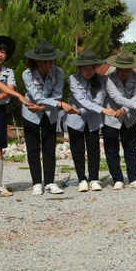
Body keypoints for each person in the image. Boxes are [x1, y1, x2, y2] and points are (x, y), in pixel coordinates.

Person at [0, 35, 41, 198]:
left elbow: (9, 89)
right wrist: (17, 96)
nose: (0, 54)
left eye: (3, 52)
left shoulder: (9, 71)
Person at [22, 40, 79, 196]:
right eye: (46, 61)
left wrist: (45, 107)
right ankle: (36, 183)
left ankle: (49, 182)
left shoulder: (58, 72)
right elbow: (37, 97)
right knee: (33, 148)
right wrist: (59, 104)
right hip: (31, 113)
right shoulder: (27, 74)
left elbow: (57, 95)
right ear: (36, 61)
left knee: (49, 147)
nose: (50, 64)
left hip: (50, 113)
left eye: (52, 60)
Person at [67, 49, 117, 192]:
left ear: (96, 67)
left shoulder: (101, 80)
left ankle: (94, 178)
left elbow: (98, 100)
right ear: (79, 68)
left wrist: (81, 111)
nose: (89, 71)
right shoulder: (73, 79)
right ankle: (82, 179)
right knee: (77, 150)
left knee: (93, 149)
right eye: (85, 68)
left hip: (92, 119)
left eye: (91, 68)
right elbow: (81, 100)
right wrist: (101, 110)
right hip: (75, 120)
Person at [103, 51, 136, 190]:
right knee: (112, 149)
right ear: (116, 67)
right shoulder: (109, 78)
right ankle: (117, 179)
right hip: (111, 116)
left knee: (131, 147)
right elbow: (116, 97)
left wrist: (125, 109)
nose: (123, 73)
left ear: (131, 68)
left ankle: (133, 178)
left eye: (126, 69)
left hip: (129, 117)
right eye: (121, 69)